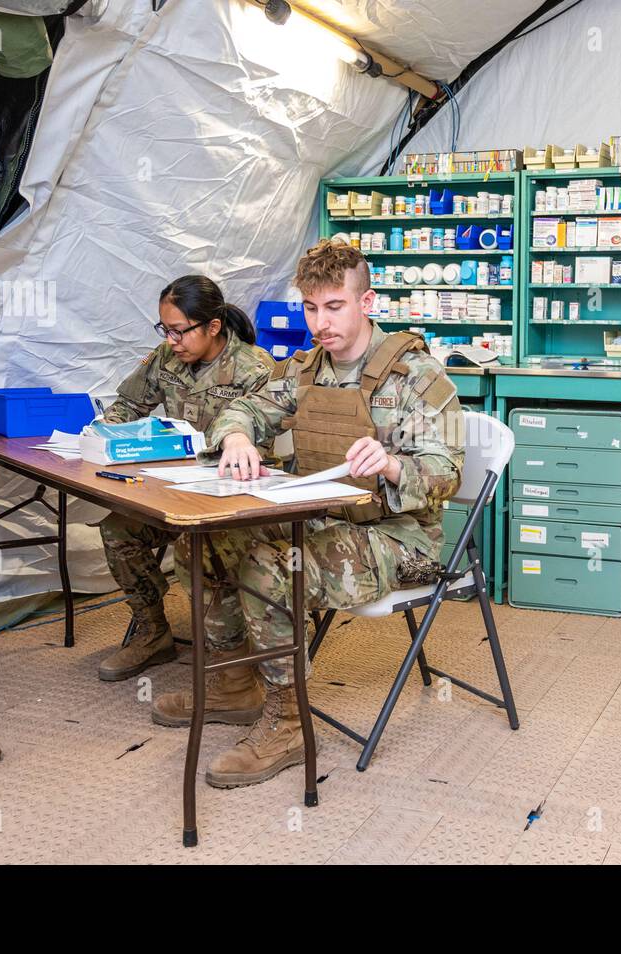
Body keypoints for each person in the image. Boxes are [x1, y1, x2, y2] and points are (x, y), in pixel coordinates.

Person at [146, 239, 463, 788]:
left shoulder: (418, 376)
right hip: (323, 517)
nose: (320, 322)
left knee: (268, 568)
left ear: (366, 302)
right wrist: (237, 437)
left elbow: (448, 472)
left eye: (335, 306)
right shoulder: (306, 369)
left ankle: (288, 722)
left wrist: (392, 464)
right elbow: (245, 408)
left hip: (400, 537)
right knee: (202, 543)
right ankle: (233, 684)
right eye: (311, 308)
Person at [96, 276, 275, 686]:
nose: (171, 340)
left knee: (199, 547)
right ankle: (153, 631)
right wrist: (101, 434)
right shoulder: (166, 357)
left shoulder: (255, 368)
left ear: (213, 327)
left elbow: (260, 447)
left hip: (235, 495)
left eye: (179, 331)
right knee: (118, 530)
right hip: (177, 490)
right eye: (165, 329)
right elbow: (128, 405)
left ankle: (230, 653)